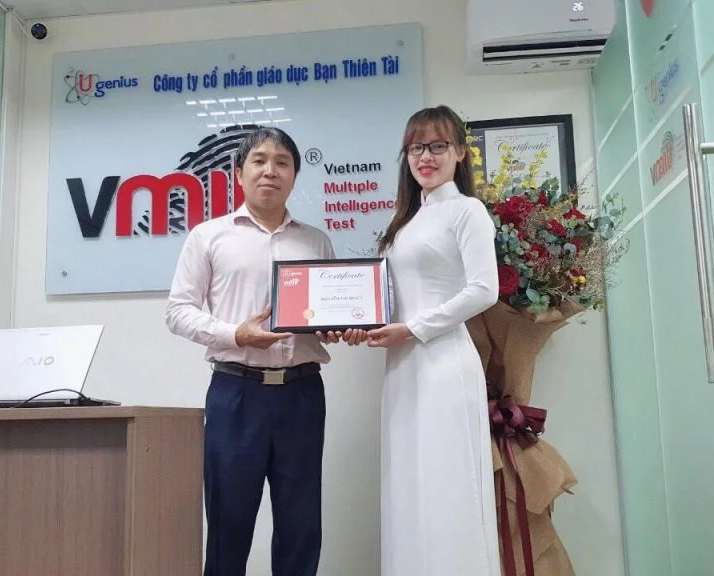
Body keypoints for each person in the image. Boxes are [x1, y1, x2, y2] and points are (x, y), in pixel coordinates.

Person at [165, 126, 363, 576]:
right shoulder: (208, 236)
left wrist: (340, 328)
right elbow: (177, 312)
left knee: (300, 523)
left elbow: (324, 314)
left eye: (282, 162)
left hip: (302, 394)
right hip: (236, 394)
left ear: (294, 176)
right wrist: (236, 334)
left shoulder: (316, 241)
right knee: (228, 523)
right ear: (239, 173)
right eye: (259, 160)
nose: (270, 171)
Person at [365, 105, 503, 576]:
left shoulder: (467, 211)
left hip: (444, 365)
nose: (425, 157)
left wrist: (415, 329)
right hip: (403, 367)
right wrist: (361, 324)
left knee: (447, 485)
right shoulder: (404, 222)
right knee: (408, 486)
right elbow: (391, 298)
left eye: (437, 146)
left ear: (460, 152)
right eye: (415, 148)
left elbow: (484, 290)